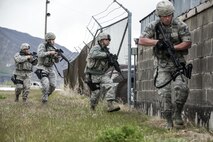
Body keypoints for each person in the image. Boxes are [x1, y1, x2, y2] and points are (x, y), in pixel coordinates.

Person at [138, 0, 192, 129]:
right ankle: (168, 121)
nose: (167, 18)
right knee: (164, 93)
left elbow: (187, 42)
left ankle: (177, 113)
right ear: (159, 16)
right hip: (162, 65)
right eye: (164, 16)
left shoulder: (180, 25)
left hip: (177, 62)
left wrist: (173, 48)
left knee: (182, 89)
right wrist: (157, 43)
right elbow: (142, 40)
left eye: (169, 15)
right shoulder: (153, 25)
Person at [84, 32, 120, 112]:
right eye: (107, 40)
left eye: (109, 40)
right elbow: (93, 54)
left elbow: (104, 63)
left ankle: (110, 106)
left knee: (111, 85)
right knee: (96, 93)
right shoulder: (96, 48)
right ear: (102, 40)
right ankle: (92, 108)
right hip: (92, 74)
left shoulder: (106, 50)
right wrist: (106, 55)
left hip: (101, 74)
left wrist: (111, 61)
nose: (109, 41)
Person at [35, 32, 60, 103]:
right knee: (46, 84)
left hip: (51, 68)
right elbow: (40, 54)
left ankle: (45, 95)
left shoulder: (54, 48)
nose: (53, 41)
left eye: (54, 40)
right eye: (52, 39)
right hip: (42, 67)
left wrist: (56, 57)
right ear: (48, 40)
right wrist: (49, 53)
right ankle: (44, 100)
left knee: (53, 86)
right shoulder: (42, 46)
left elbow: (57, 61)